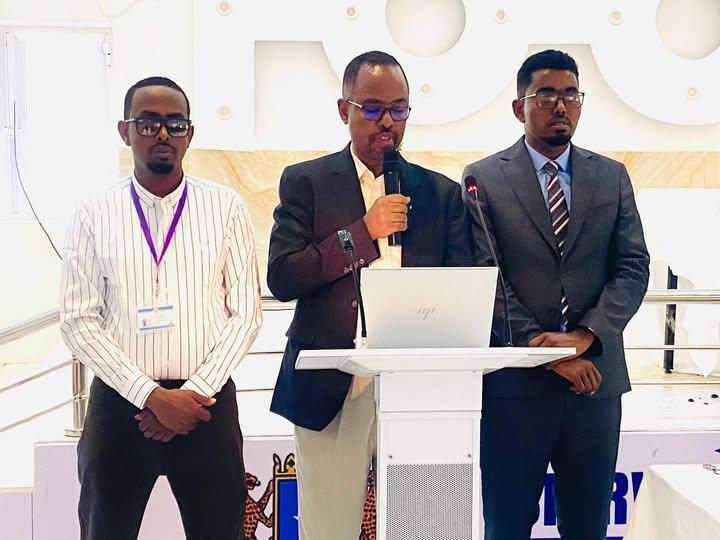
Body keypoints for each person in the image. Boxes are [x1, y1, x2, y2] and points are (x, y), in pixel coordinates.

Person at [268, 50, 472, 539]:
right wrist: (362, 233)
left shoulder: (441, 193)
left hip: (421, 387)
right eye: (374, 108)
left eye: (399, 109)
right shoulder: (307, 183)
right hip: (334, 385)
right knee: (328, 530)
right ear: (345, 110)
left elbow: (464, 287)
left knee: (427, 528)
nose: (388, 122)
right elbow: (283, 277)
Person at [60, 76, 263, 539]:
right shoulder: (93, 212)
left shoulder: (225, 207)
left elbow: (246, 314)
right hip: (121, 407)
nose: (164, 134)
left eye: (176, 124)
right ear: (125, 131)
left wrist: (192, 395)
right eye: (148, 123)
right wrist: (151, 397)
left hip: (206, 406)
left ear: (191, 133)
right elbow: (77, 320)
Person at [462, 49, 650, 540]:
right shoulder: (484, 179)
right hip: (515, 390)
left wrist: (586, 336)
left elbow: (633, 267)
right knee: (506, 527)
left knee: (588, 528)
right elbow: (486, 276)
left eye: (570, 94)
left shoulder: (611, 177)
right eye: (545, 94)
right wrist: (544, 353)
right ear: (519, 107)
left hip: (594, 385)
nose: (560, 105)